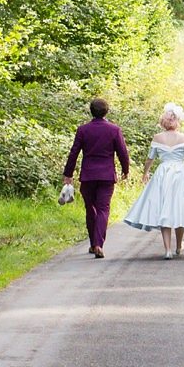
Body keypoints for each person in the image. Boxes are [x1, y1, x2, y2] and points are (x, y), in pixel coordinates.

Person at [121, 102, 184, 259]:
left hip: (163, 173)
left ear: (163, 121)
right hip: (181, 174)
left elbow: (150, 159)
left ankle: (167, 249)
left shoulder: (157, 138)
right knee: (179, 208)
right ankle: (178, 245)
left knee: (165, 209)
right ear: (177, 121)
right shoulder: (183, 138)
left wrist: (146, 173)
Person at [62, 97, 130, 258]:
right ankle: (98, 243)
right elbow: (122, 152)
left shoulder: (83, 130)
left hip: (88, 175)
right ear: (107, 111)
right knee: (103, 209)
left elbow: (74, 152)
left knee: (90, 209)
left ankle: (93, 244)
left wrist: (68, 174)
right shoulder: (114, 130)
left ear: (91, 111)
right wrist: (125, 170)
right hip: (106, 175)